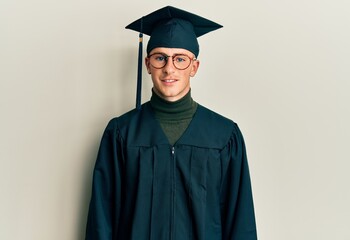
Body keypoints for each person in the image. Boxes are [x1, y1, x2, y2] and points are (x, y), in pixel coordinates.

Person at [85, 6, 257, 240]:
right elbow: (101, 221)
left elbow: (241, 223)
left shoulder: (224, 136)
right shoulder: (121, 134)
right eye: (160, 58)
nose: (169, 68)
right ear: (147, 64)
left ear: (194, 67)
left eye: (180, 59)